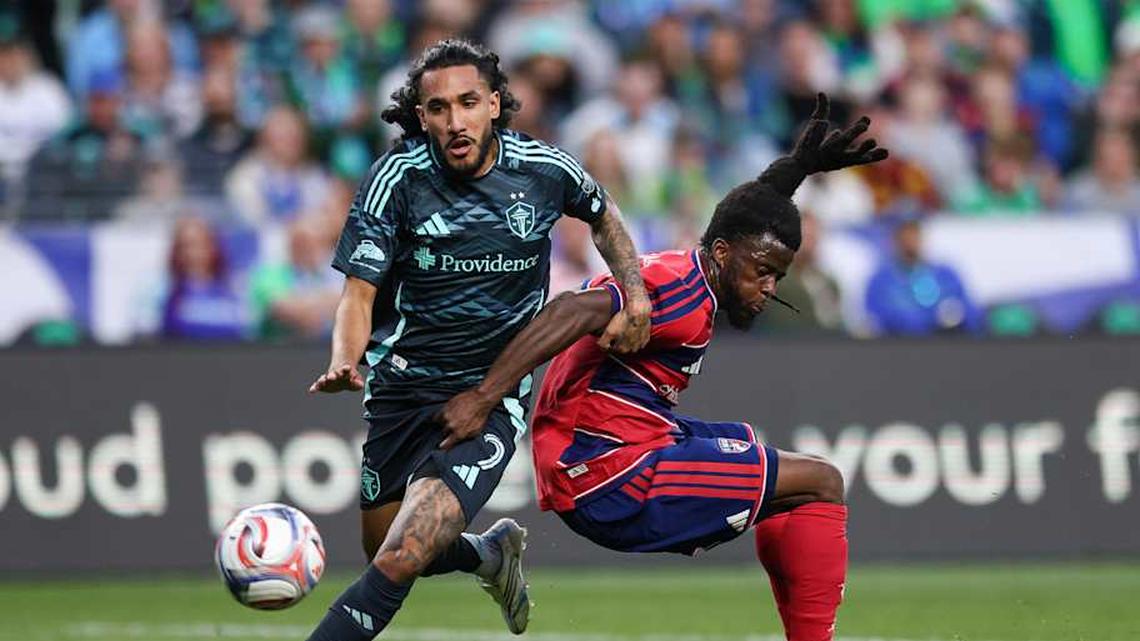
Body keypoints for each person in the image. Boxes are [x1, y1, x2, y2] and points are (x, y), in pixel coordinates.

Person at [435, 94, 886, 641]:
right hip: (609, 473)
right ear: (723, 255)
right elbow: (574, 309)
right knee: (821, 480)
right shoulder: (681, 292)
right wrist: (485, 397)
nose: (768, 289)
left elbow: (746, 215)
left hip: (626, 446)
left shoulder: (694, 269)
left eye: (777, 277)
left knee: (791, 485)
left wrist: (796, 169)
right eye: (763, 272)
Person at [304, 39, 651, 641]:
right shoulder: (397, 179)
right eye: (438, 109)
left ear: (494, 103)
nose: (455, 120)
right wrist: (344, 359)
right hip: (402, 387)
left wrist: (636, 293)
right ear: (422, 118)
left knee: (402, 554)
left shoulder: (544, 170)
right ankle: (489, 556)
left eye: (468, 103)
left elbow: (603, 213)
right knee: (384, 548)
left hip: (489, 393)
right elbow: (358, 293)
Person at [865, 217, 981, 336]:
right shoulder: (881, 281)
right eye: (904, 234)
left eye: (914, 233)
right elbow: (876, 318)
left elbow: (970, 312)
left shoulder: (946, 275)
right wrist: (926, 322)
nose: (909, 240)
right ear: (894, 239)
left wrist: (955, 316)